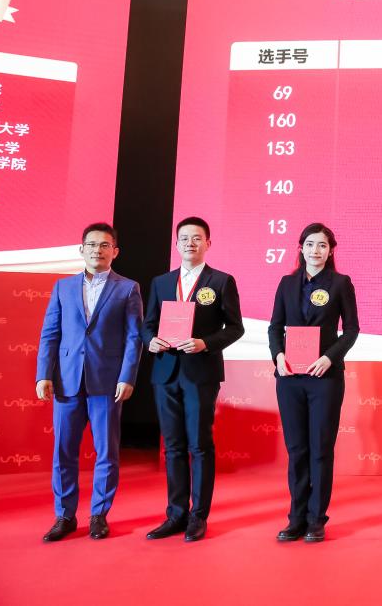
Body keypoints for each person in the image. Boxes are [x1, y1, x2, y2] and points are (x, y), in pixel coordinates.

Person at [35, 222, 143, 542]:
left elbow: (134, 338)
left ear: (115, 251)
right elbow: (50, 334)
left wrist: (127, 376)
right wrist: (44, 374)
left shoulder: (128, 288)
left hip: (107, 383)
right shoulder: (62, 287)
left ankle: (99, 515)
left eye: (105, 245)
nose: (98, 250)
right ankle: (65, 516)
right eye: (92, 245)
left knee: (106, 452)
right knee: (63, 452)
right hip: (67, 381)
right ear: (82, 249)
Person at [143, 216, 244, 542]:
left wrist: (205, 343)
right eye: (184, 238)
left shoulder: (221, 281)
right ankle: (176, 514)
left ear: (208, 244)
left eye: (197, 238)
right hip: (165, 372)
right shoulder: (161, 282)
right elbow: (148, 324)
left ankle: (198, 516)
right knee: (173, 446)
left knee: (199, 444)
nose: (190, 243)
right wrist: (150, 340)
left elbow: (236, 328)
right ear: (177, 244)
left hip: (201, 372)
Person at [268, 223, 359, 542]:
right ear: (301, 248)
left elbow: (351, 330)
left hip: (325, 378)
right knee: (297, 449)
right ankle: (296, 518)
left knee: (320, 448)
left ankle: (317, 518)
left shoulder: (341, 283)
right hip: (290, 377)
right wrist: (278, 356)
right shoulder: (287, 283)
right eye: (309, 244)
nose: (315, 250)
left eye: (322, 245)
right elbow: (275, 327)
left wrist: (329, 358)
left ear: (330, 250)